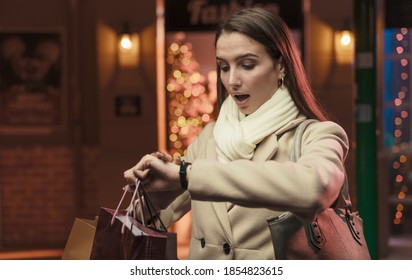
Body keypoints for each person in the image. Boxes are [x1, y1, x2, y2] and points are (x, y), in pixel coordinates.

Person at [124, 6, 349, 260]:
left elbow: (314, 188)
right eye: (224, 67)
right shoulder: (209, 139)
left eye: (247, 65)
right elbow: (146, 221)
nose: (232, 80)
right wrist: (148, 191)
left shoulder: (319, 135)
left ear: (281, 66)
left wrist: (185, 174)